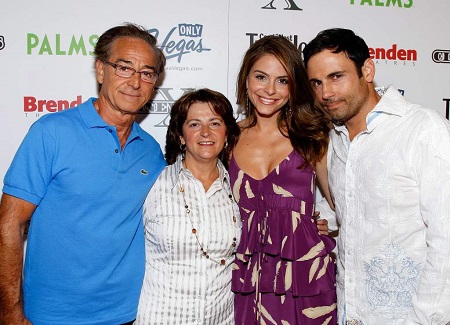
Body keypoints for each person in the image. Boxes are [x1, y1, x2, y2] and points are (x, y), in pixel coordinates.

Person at [0, 23, 167, 325]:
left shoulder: (152, 151)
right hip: (51, 315)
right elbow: (9, 223)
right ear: (101, 70)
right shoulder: (51, 132)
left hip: (127, 313)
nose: (135, 82)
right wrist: (10, 311)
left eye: (147, 73)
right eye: (124, 67)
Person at [303, 28, 450, 324]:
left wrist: (426, 320)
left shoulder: (421, 128)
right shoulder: (336, 140)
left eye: (336, 77)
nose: (325, 93)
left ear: (367, 70)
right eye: (316, 83)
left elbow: (445, 235)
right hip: (350, 312)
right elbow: (355, 211)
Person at [230, 35, 337, 325]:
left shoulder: (312, 137)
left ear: (294, 86)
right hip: (243, 279)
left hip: (303, 279)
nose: (270, 90)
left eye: (282, 81)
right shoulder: (226, 138)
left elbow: (343, 202)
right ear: (246, 78)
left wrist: (321, 224)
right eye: (261, 77)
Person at [134, 88, 241, 325]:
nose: (205, 132)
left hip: (221, 319)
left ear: (226, 134)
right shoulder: (152, 184)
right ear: (180, 135)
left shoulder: (241, 189)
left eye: (215, 123)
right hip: (160, 319)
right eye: (194, 124)